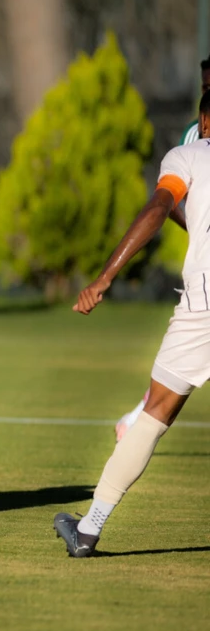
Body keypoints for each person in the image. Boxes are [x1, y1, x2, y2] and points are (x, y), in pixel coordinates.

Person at [55, 91, 210, 558]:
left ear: (204, 119)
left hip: (205, 303)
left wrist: (104, 278)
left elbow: (158, 209)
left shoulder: (187, 154)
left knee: (154, 413)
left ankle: (88, 530)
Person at [112, 54, 210, 440]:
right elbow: (168, 204)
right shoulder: (193, 139)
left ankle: (140, 418)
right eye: (204, 86)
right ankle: (141, 416)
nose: (208, 90)